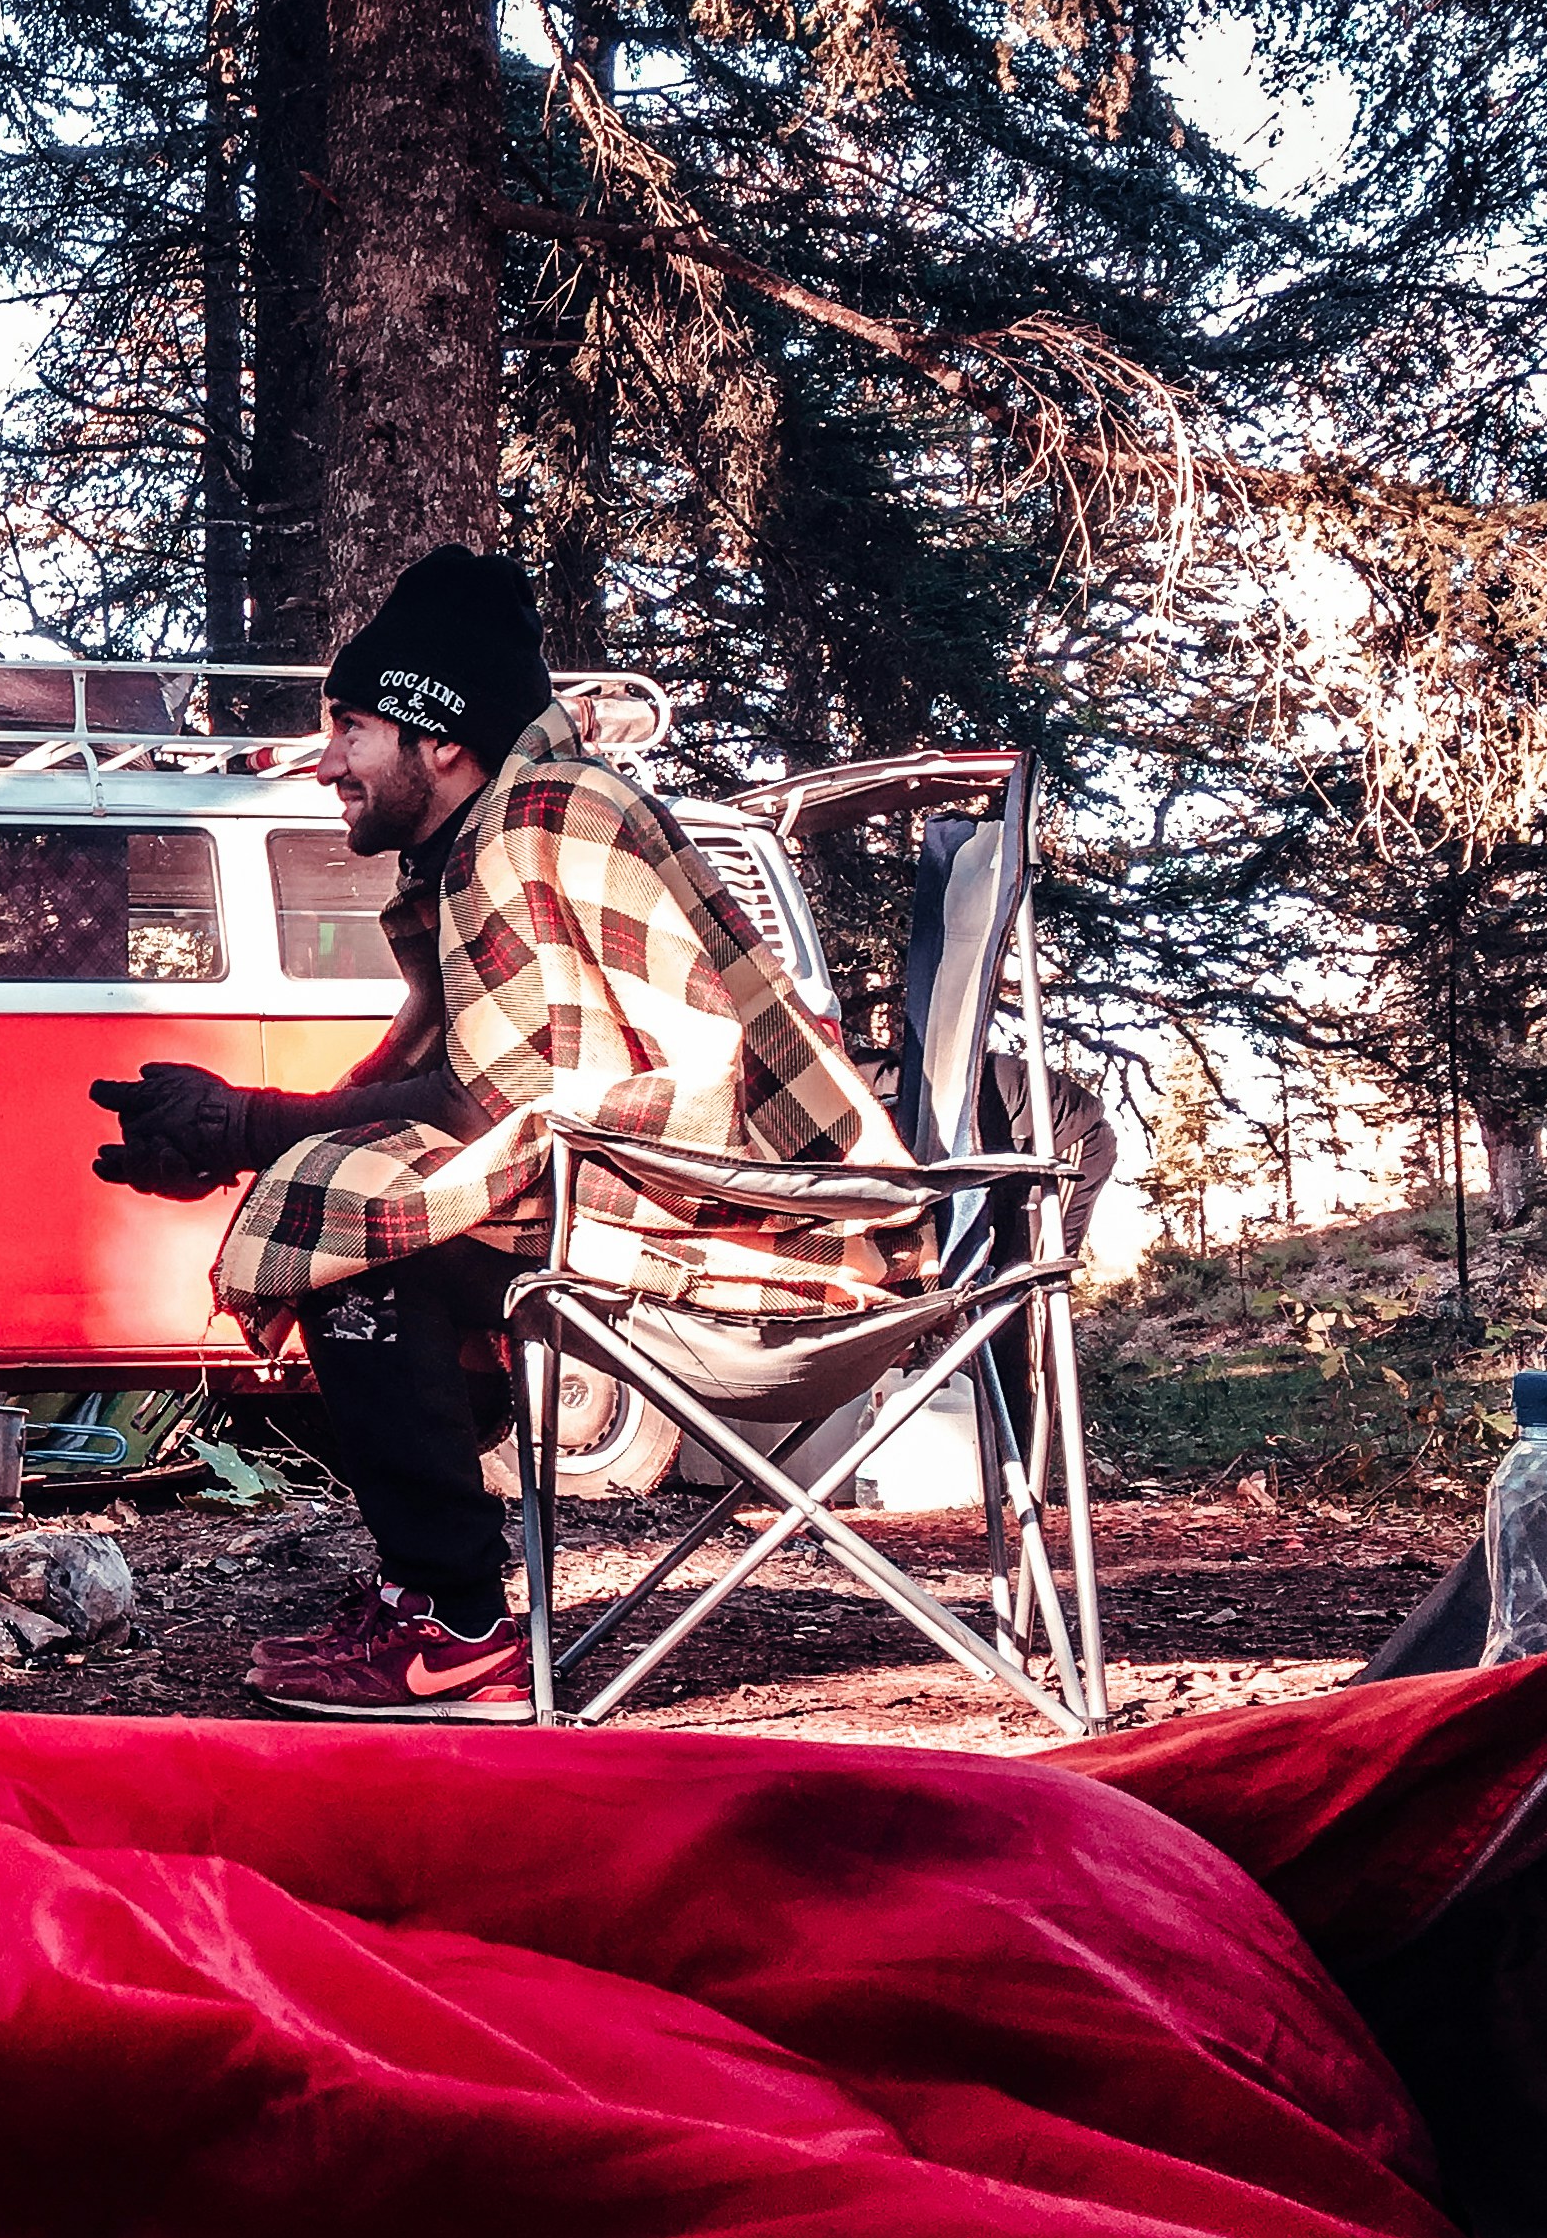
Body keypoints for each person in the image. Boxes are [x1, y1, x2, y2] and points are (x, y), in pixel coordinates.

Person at [92, 546, 927, 1722]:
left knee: (354, 1219)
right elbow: (485, 1089)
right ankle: (436, 1601)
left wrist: (250, 1127)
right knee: (349, 1199)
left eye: (349, 726)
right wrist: (245, 1134)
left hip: (765, 1245)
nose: (324, 760)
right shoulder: (500, 830)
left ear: (439, 736)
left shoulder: (540, 822)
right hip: (699, 1210)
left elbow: (492, 1106)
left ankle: (453, 1623)